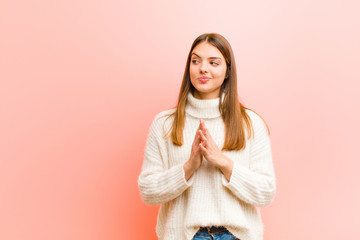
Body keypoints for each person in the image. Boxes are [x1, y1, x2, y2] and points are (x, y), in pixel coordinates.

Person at [138, 33, 276, 240]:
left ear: (227, 71)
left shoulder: (250, 123)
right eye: (196, 61)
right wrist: (189, 167)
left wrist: (224, 163)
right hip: (184, 235)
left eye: (214, 62)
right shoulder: (165, 123)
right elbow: (148, 191)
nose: (203, 68)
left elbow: (265, 193)